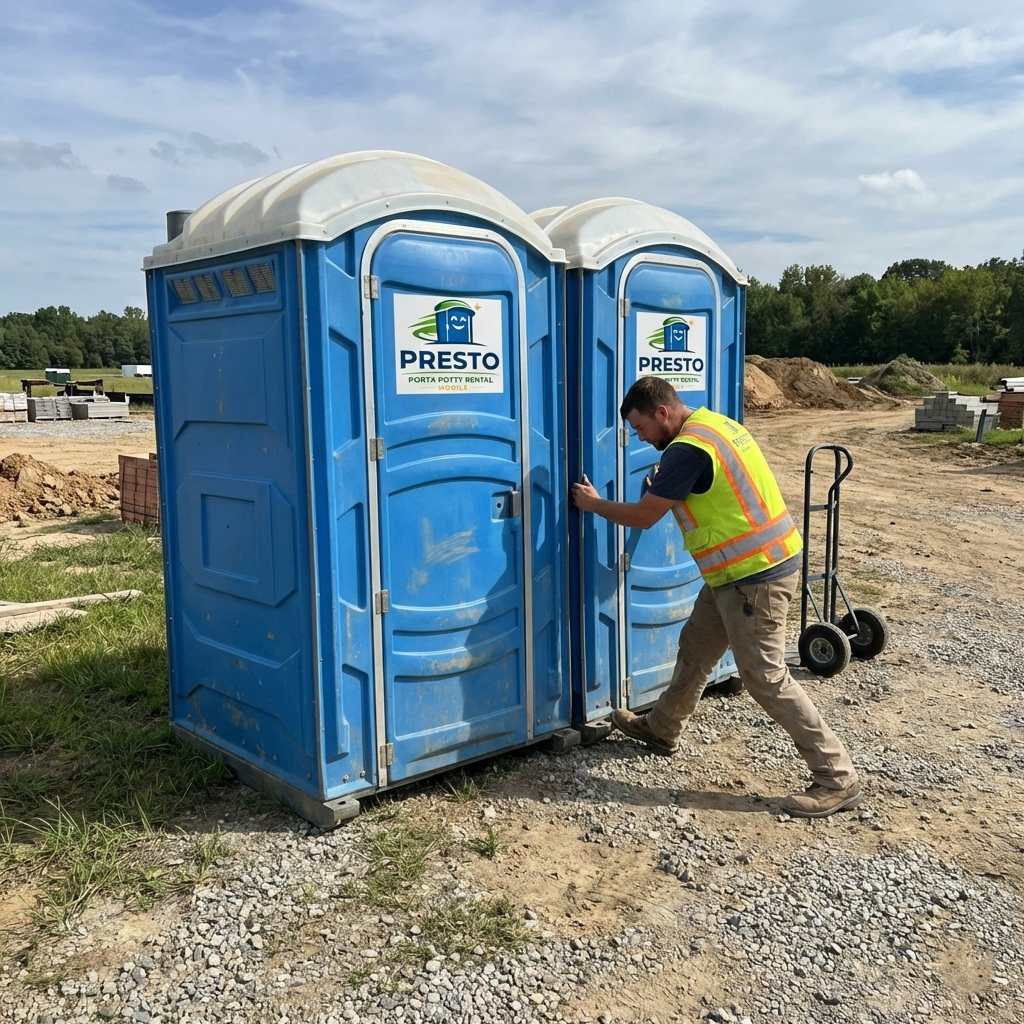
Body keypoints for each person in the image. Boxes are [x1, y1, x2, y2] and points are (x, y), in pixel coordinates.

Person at [570, 375, 861, 818]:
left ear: (662, 413)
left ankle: (836, 778)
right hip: (737, 573)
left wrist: (594, 504)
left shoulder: (687, 450)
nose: (639, 437)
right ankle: (661, 729)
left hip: (755, 576)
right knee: (697, 647)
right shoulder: (714, 426)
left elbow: (646, 517)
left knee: (765, 676)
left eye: (640, 427)